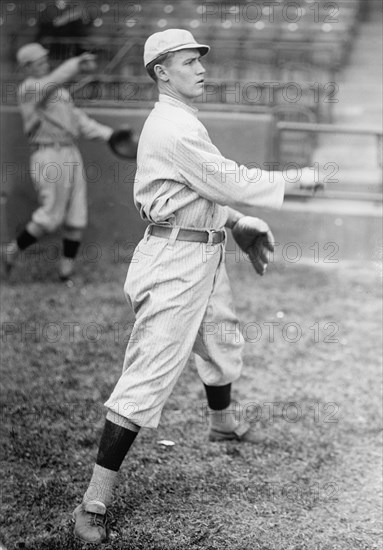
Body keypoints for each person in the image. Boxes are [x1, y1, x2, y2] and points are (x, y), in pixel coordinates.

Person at [72, 29, 320, 544]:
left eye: (200, 60)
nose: (201, 69)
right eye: (188, 62)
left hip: (201, 249)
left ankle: (222, 423)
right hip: (173, 258)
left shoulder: (183, 120)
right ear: (162, 72)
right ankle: (93, 501)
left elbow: (203, 192)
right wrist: (299, 177)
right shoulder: (171, 127)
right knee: (149, 373)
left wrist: (237, 225)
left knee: (222, 338)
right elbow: (228, 179)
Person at [3, 43, 113, 280]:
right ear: (27, 67)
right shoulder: (29, 89)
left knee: (76, 214)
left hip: (70, 152)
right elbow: (52, 81)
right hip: (48, 155)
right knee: (50, 216)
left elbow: (79, 121)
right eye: (38, 62)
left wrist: (110, 135)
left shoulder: (60, 92)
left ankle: (66, 272)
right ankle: (11, 251)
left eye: (45, 59)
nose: (44, 64)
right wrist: (76, 64)